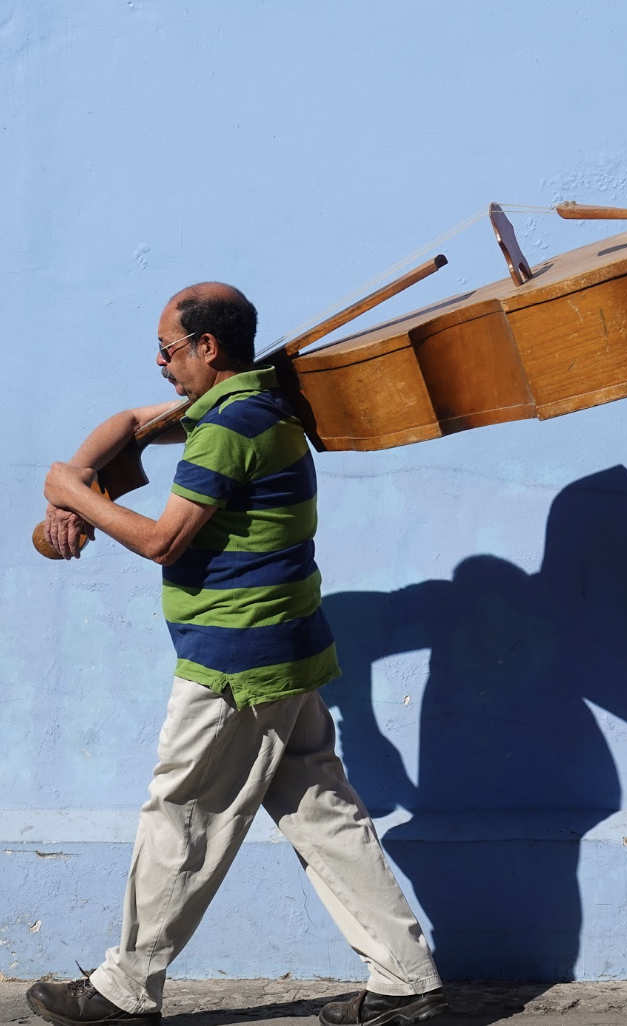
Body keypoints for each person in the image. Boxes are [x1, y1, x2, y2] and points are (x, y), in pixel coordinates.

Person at [26, 283, 446, 1026]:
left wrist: (71, 492)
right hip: (287, 652)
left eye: (167, 350)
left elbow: (163, 541)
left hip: (235, 666)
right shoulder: (261, 407)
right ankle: (406, 978)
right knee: (322, 812)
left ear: (207, 348)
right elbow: (126, 422)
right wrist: (72, 490)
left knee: (180, 814)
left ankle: (125, 991)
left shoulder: (225, 431)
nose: (160, 364)